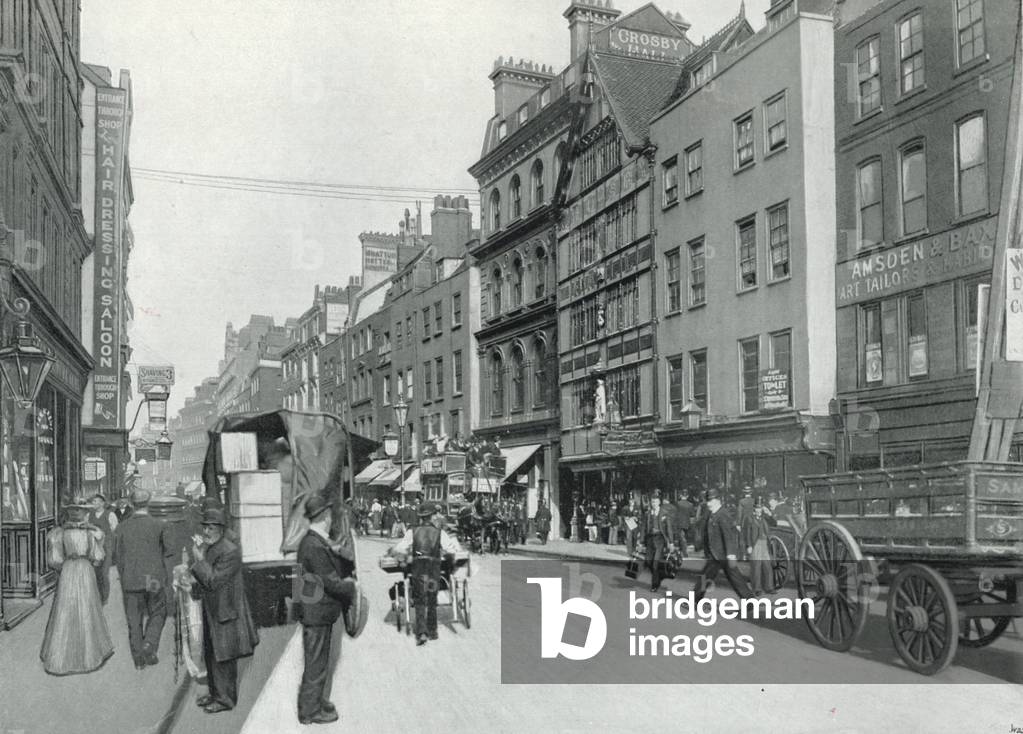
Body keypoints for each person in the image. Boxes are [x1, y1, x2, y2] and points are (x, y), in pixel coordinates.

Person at [190, 508, 259, 714]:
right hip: (214, 610)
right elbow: (205, 579)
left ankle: (226, 699)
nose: (207, 531)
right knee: (212, 654)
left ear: (221, 529)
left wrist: (199, 560)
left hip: (226, 611)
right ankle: (215, 694)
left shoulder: (229, 550)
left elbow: (212, 580)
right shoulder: (212, 547)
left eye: (211, 527)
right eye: (205, 527)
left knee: (224, 657)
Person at [295, 494, 357, 726]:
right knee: (316, 665)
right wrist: (351, 588)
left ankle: (316, 701)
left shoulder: (313, 541)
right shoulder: (314, 545)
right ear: (323, 517)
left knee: (319, 662)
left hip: (316, 612)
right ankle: (309, 712)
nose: (332, 519)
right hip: (317, 614)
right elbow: (331, 582)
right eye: (329, 514)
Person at [40, 496, 114, 675]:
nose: (76, 513)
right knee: (82, 607)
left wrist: (64, 566)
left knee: (68, 607)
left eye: (77, 510)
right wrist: (88, 561)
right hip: (84, 569)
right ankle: (86, 655)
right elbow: (98, 557)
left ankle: (66, 656)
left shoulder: (59, 533)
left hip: (68, 570)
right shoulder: (91, 532)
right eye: (75, 510)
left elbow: (55, 560)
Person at [112, 489, 168, 669]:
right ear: (149, 502)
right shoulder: (159, 525)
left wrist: (124, 574)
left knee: (134, 620)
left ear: (131, 503)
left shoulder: (121, 527)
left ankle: (138, 660)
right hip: (154, 578)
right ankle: (149, 644)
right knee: (158, 611)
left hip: (131, 579)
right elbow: (167, 553)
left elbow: (118, 557)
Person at [390, 502, 461, 646]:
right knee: (432, 599)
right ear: (432, 516)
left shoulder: (412, 532)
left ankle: (422, 632)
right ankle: (433, 631)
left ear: (421, 516)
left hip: (418, 568)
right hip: (433, 568)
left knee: (420, 599)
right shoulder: (440, 532)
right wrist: (447, 555)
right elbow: (452, 550)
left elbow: (400, 548)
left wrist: (400, 554)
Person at [693, 488, 753, 603]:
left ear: (718, 501)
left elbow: (728, 535)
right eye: (708, 501)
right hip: (715, 553)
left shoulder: (723, 514)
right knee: (734, 578)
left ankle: (695, 600)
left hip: (722, 554)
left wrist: (731, 554)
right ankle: (750, 601)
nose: (708, 503)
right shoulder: (711, 513)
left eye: (711, 501)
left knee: (708, 577)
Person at [642, 490, 676, 593]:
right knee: (648, 562)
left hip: (660, 539)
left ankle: (655, 584)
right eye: (652, 502)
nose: (654, 504)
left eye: (655, 502)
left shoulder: (664, 513)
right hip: (650, 540)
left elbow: (669, 528)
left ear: (659, 502)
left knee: (655, 562)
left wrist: (671, 542)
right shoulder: (647, 514)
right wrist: (640, 542)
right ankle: (659, 575)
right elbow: (643, 528)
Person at [87, 493, 118, 605]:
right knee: (94, 573)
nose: (93, 504)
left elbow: (114, 530)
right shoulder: (89, 515)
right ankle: (96, 596)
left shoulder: (110, 515)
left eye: (95, 501)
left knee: (104, 573)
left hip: (106, 548)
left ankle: (104, 598)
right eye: (93, 501)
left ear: (102, 503)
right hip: (93, 548)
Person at [743, 498, 775, 596]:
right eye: (757, 508)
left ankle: (769, 587)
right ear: (754, 508)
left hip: (764, 543)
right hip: (755, 543)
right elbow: (747, 533)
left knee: (767, 566)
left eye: (760, 508)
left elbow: (774, 523)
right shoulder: (749, 518)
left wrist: (769, 514)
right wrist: (748, 545)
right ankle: (757, 589)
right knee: (756, 567)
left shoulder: (765, 517)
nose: (758, 510)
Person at [675, 493, 693, 558]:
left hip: (679, 523)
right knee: (683, 537)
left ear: (681, 495)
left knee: (682, 538)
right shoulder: (690, 504)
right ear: (687, 496)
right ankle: (681, 551)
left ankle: (684, 553)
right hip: (687, 523)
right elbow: (692, 514)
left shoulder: (677, 503)